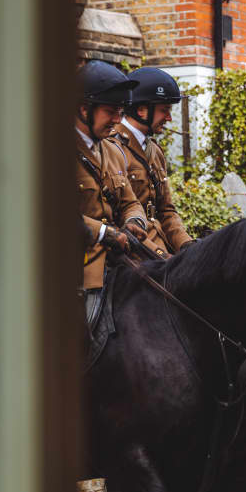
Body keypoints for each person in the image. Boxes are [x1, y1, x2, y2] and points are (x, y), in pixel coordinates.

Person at [76, 60, 148, 322]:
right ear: (84, 109)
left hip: (123, 260)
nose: (118, 120)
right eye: (111, 112)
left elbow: (131, 201)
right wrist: (106, 233)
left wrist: (133, 220)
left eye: (121, 111)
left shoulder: (113, 150)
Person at [111, 67, 193, 258]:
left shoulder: (154, 150)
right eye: (164, 110)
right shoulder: (113, 147)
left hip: (160, 248)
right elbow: (117, 216)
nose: (169, 118)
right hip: (131, 254)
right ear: (141, 110)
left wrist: (187, 245)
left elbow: (166, 210)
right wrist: (161, 256)